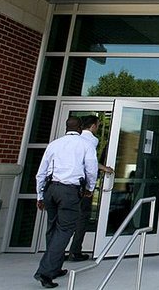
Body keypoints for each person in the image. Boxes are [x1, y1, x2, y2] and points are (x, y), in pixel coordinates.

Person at [34, 116, 98, 289]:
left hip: (50, 189)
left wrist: (40, 195)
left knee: (53, 229)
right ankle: (45, 272)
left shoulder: (54, 144)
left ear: (66, 127)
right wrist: (90, 188)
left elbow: (41, 172)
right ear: (80, 129)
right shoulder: (85, 145)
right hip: (69, 191)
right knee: (65, 231)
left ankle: (55, 267)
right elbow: (91, 169)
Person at [68, 115, 114, 262]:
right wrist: (91, 186)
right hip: (80, 185)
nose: (99, 127)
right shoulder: (90, 141)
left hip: (64, 185)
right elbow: (90, 165)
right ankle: (75, 251)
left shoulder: (68, 141)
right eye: (98, 125)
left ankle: (57, 252)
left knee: (65, 219)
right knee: (82, 217)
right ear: (93, 126)